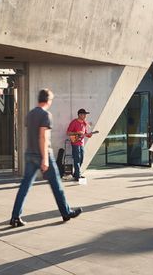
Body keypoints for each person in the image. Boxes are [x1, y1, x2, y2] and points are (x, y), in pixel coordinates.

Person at [9, 88, 82, 227]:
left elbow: (30, 134)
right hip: (42, 154)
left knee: (25, 186)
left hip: (29, 154)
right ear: (48, 100)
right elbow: (43, 136)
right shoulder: (45, 115)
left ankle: (15, 217)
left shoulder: (30, 114)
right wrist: (45, 159)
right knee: (56, 185)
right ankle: (66, 212)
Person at [66, 108, 95, 182]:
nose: (85, 116)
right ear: (80, 115)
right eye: (84, 114)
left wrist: (90, 134)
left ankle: (76, 174)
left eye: (85, 114)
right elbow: (68, 133)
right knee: (77, 158)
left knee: (81, 158)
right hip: (75, 143)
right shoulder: (74, 122)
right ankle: (77, 176)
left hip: (81, 143)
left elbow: (85, 134)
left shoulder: (85, 123)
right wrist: (77, 133)